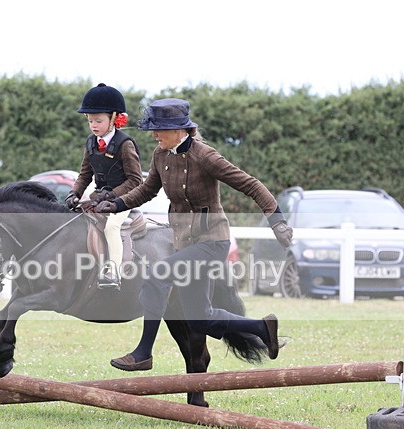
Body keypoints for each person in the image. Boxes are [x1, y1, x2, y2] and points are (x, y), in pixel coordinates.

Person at [94, 98, 293, 370]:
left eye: (159, 129)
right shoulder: (160, 155)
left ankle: (143, 353)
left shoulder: (206, 156)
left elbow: (251, 185)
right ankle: (261, 327)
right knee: (199, 319)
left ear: (179, 130)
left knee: (157, 275)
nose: (154, 135)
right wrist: (116, 204)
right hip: (183, 243)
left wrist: (278, 221)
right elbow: (147, 190)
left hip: (212, 242)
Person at [64, 83, 143, 289]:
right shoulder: (91, 142)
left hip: (122, 201)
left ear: (114, 118)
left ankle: (113, 273)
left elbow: (136, 181)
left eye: (98, 120)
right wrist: (74, 193)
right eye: (90, 121)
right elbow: (84, 174)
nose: (93, 125)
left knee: (111, 227)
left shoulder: (125, 144)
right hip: (99, 198)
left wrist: (111, 197)